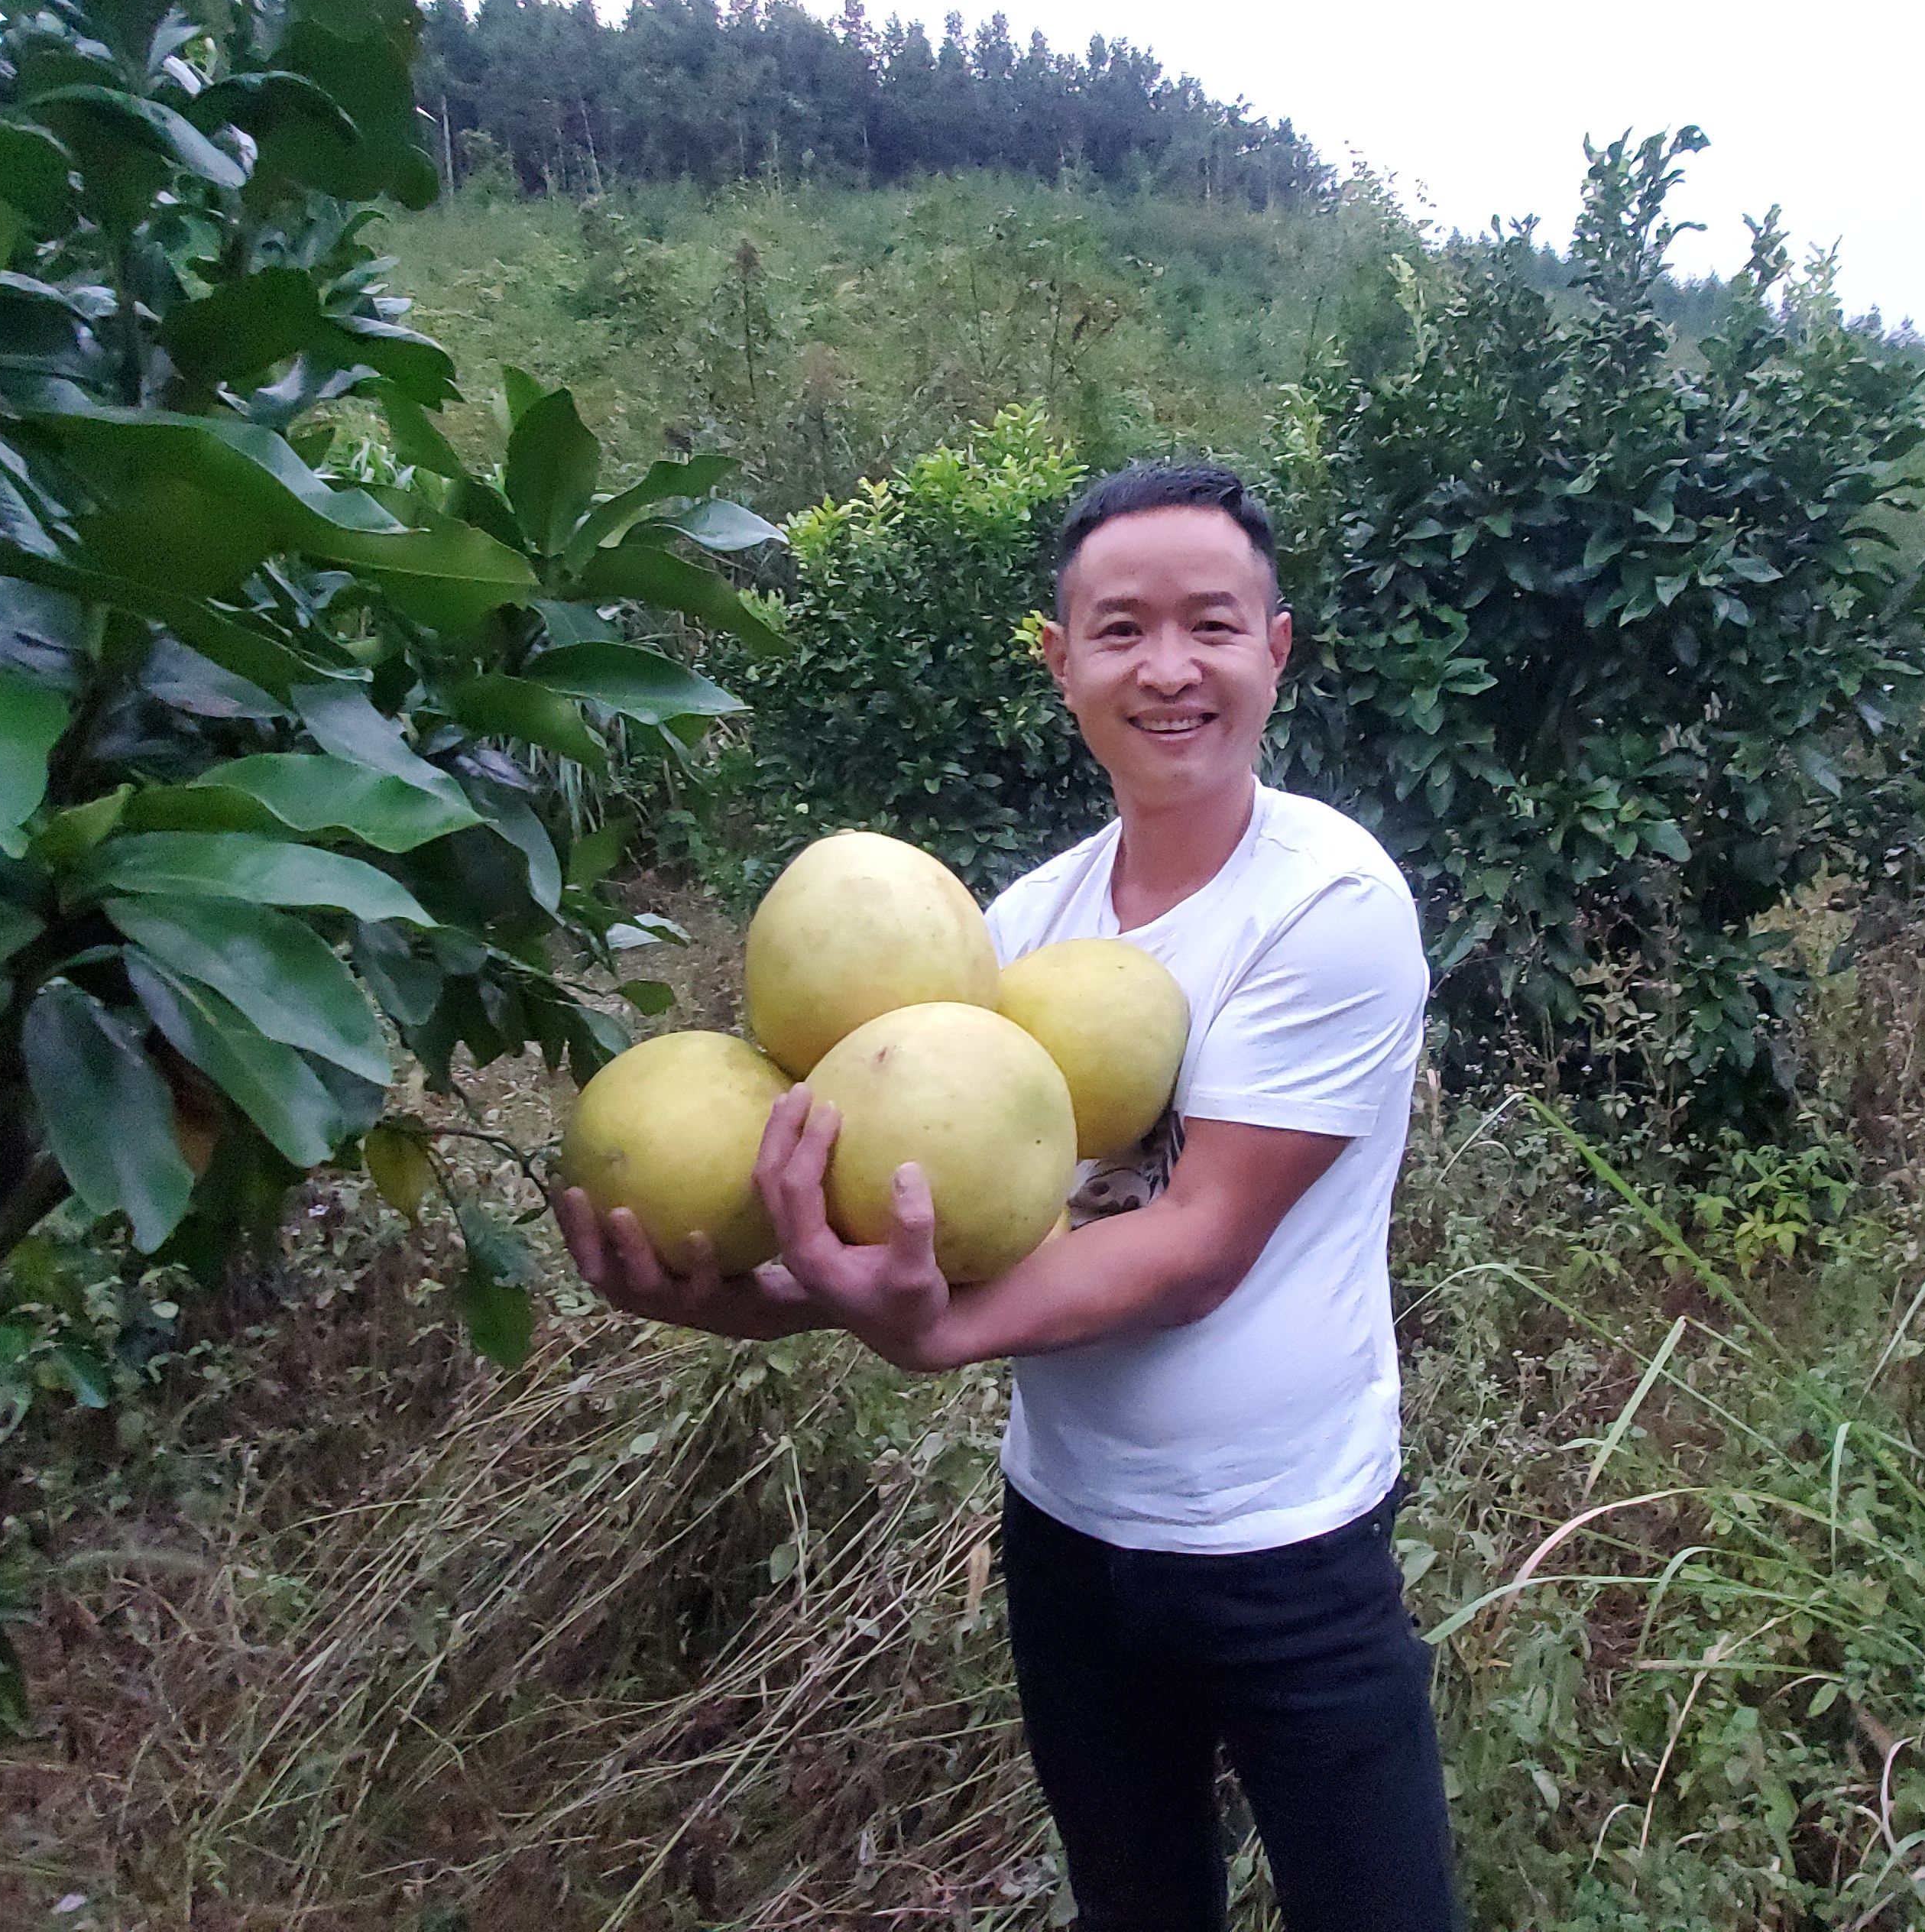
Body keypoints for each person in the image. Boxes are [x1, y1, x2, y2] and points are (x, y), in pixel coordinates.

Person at [556, 462, 1455, 1932]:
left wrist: (929, 1339)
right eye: (1120, 630)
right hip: (1070, 1542)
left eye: (1212, 626)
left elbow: (1194, 1245)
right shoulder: (1008, 936)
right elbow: (936, 1251)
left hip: (1286, 1552)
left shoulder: (1331, 900)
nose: (1169, 668)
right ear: (1061, 665)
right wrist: (744, 1296)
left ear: (1277, 650)